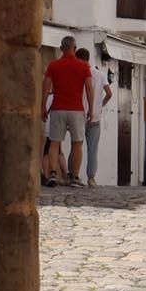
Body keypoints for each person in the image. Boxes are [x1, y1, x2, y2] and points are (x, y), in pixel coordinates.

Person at [43, 36, 91, 187]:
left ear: (61, 48)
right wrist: (91, 109)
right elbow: (90, 89)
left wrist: (42, 106)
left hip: (58, 108)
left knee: (54, 143)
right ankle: (75, 177)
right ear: (75, 49)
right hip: (76, 109)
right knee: (77, 143)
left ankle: (52, 174)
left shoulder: (53, 66)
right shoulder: (84, 67)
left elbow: (46, 88)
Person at [79, 46, 111, 188]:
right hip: (95, 117)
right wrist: (100, 105)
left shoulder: (79, 74)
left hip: (80, 115)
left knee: (77, 146)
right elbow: (109, 94)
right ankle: (91, 178)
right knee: (92, 150)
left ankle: (72, 175)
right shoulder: (100, 74)